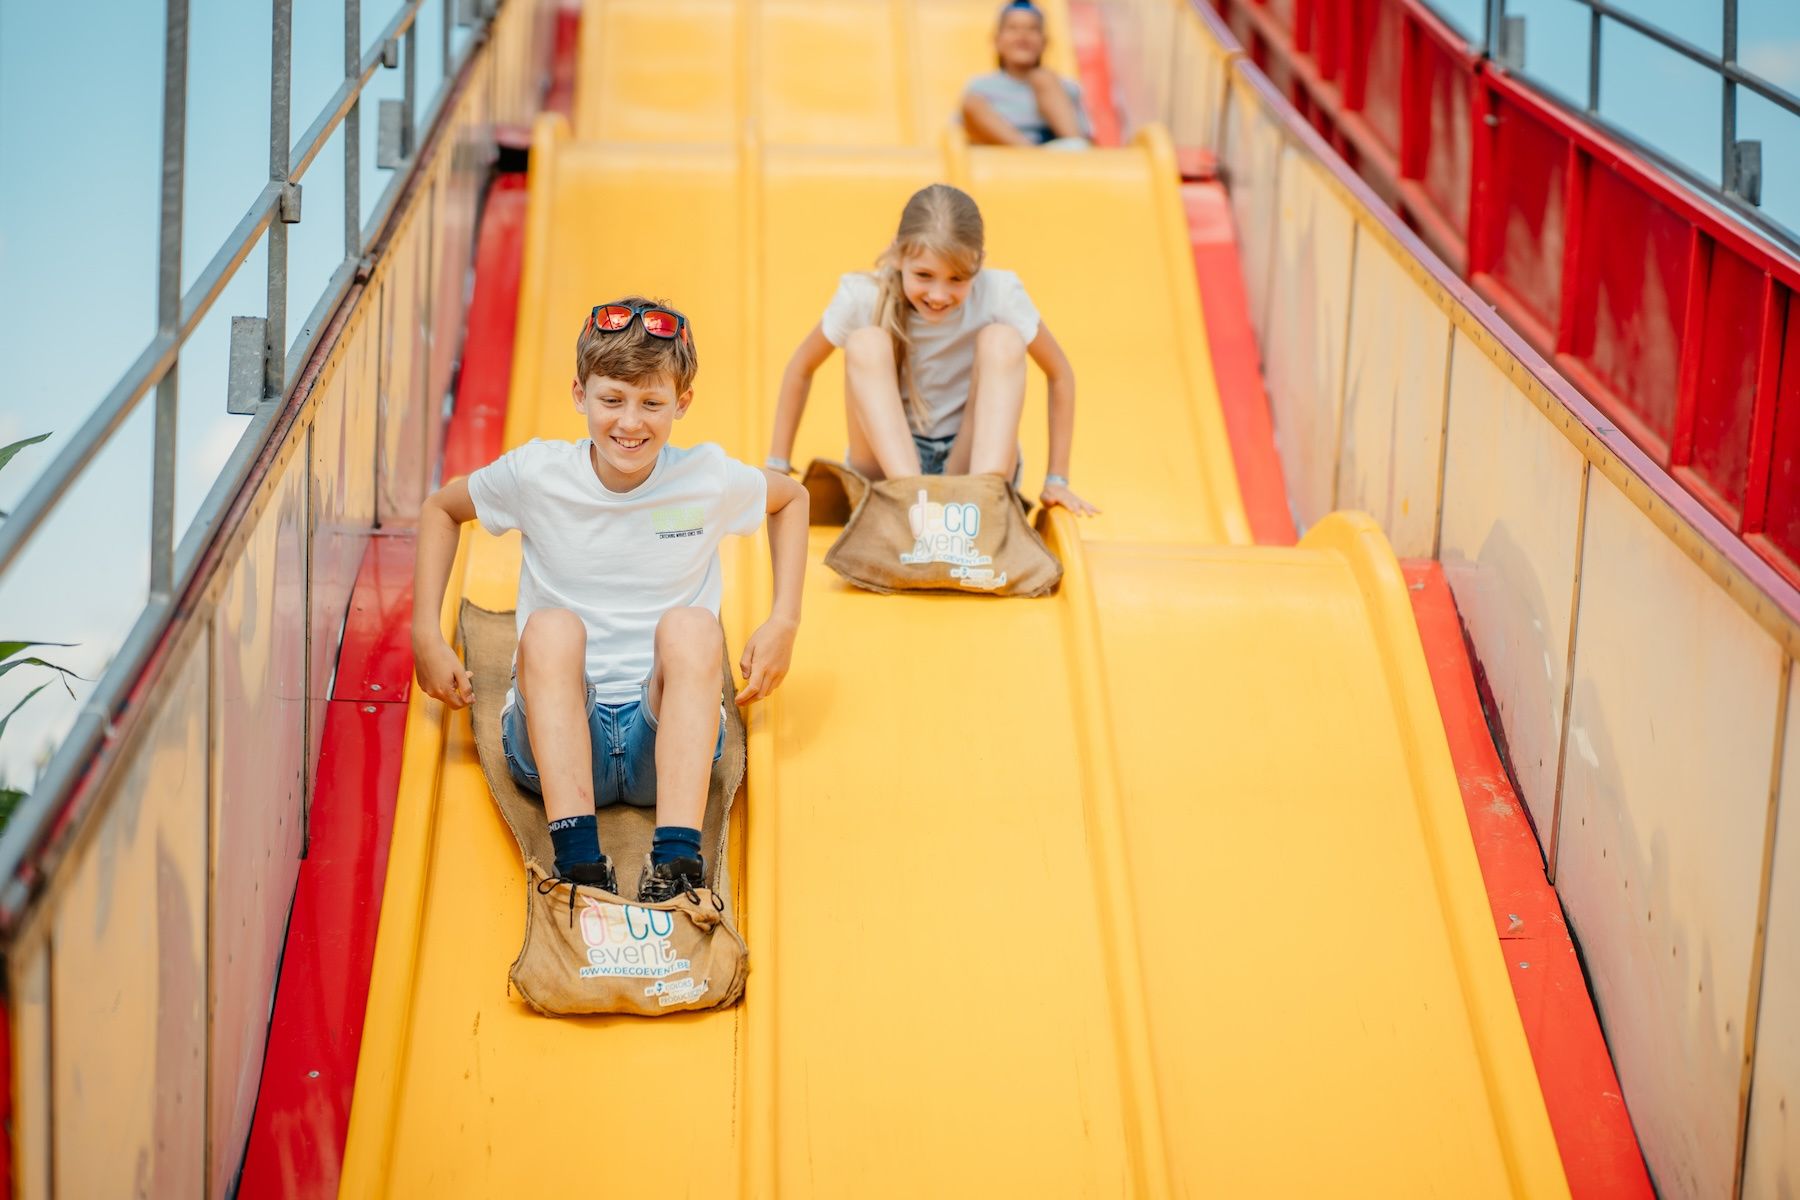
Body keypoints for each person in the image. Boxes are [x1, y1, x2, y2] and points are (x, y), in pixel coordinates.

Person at [412, 298, 808, 902]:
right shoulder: (538, 475)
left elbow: (791, 500)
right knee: (550, 630)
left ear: (682, 403)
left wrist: (785, 620)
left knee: (695, 629)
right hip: (553, 745)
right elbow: (443, 508)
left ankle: (677, 861)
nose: (630, 422)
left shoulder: (705, 478)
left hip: (666, 746)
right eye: (611, 400)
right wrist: (426, 635)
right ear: (580, 394)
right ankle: (579, 866)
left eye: (651, 403)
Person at [768, 183, 1097, 516]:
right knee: (866, 342)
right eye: (924, 275)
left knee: (1003, 339)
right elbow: (801, 367)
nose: (939, 295)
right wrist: (777, 465)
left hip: (968, 462)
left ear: (979, 264)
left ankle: (987, 499)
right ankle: (914, 503)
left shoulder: (999, 293)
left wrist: (1057, 479)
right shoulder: (862, 295)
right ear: (897, 255)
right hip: (886, 467)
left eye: (957, 279)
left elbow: (1060, 374)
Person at [960, 0, 1092, 148]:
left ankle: (1047, 156)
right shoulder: (981, 87)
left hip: (1055, 154)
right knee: (971, 103)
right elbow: (962, 133)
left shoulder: (1064, 87)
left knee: (1044, 78)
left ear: (1045, 42)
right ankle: (1029, 154)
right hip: (1002, 156)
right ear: (997, 41)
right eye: (1013, 28)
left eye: (1032, 29)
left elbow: (1087, 138)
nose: (1023, 36)